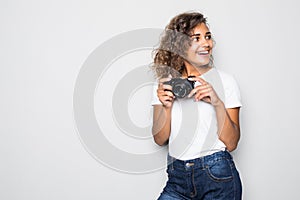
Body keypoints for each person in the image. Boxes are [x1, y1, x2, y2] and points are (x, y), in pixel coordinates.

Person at [151, 12, 242, 200]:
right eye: (196, 38)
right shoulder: (165, 84)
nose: (206, 43)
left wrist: (217, 103)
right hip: (177, 178)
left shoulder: (226, 82)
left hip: (217, 175)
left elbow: (232, 143)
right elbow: (160, 139)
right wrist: (166, 106)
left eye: (208, 37)